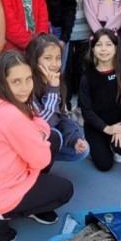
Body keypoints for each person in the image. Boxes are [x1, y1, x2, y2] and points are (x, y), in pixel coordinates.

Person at [0, 51, 75, 241]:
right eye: (16, 81)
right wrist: (39, 135)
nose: (25, 88)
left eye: (28, 79)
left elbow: (38, 121)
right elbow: (42, 159)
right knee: (65, 190)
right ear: (1, 81)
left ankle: (31, 203)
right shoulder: (10, 115)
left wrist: (39, 133)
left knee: (52, 139)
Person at [78, 29, 121, 171]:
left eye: (108, 44)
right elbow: (86, 110)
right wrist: (106, 128)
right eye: (99, 45)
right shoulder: (87, 77)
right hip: (96, 126)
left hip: (117, 124)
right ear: (93, 49)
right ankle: (93, 141)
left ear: (116, 48)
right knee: (105, 165)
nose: (104, 49)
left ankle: (112, 142)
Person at [26, 34, 90, 165]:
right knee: (55, 135)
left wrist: (75, 138)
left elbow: (63, 115)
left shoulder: (56, 79)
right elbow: (43, 123)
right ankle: (33, 166)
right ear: (34, 59)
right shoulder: (27, 85)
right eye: (48, 58)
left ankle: (42, 160)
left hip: (48, 133)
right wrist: (53, 90)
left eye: (58, 58)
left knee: (82, 149)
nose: (54, 64)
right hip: (29, 138)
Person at [63, 0, 92, 108]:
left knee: (84, 70)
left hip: (86, 30)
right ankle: (65, 106)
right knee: (66, 71)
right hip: (67, 31)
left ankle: (83, 107)